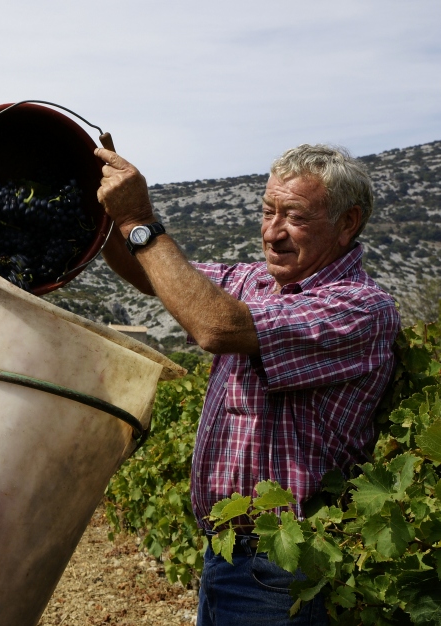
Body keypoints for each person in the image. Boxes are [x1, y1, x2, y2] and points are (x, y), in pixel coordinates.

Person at [94, 143, 400, 626]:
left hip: (280, 566)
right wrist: (105, 213)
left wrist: (140, 219)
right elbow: (149, 273)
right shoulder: (251, 281)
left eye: (293, 216)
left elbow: (215, 327)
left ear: (347, 223)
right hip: (225, 552)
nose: (272, 232)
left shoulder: (359, 309)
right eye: (266, 211)